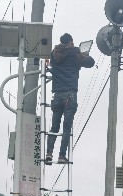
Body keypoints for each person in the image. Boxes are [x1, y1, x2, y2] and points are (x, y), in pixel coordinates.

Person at [45, 33, 95, 164]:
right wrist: (84, 54)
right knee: (66, 128)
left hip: (57, 95)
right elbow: (90, 63)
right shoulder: (75, 52)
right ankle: (62, 155)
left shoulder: (53, 54)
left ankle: (49, 153)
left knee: (54, 127)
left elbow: (53, 67)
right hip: (70, 94)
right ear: (71, 42)